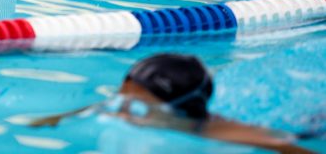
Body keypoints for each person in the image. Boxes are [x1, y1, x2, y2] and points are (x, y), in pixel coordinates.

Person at [30, 54, 315, 154]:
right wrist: (53, 120)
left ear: (179, 110)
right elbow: (104, 104)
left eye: (138, 106)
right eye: (122, 97)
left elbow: (288, 147)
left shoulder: (212, 132)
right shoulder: (125, 105)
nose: (122, 110)